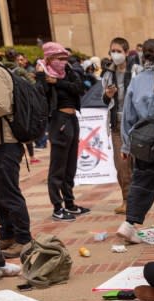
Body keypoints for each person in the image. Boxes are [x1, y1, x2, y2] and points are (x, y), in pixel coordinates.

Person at [116, 39, 154, 245]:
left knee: (142, 182)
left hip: (143, 140)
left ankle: (129, 224)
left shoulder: (137, 80)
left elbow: (127, 115)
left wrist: (125, 145)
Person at [36, 42, 88, 222]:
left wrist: (58, 81)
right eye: (59, 58)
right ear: (49, 58)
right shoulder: (43, 72)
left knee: (70, 165)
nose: (63, 61)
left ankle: (70, 203)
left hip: (72, 119)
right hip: (59, 121)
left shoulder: (68, 71)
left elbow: (79, 88)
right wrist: (42, 77)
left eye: (65, 57)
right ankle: (57, 207)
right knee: (58, 166)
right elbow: (41, 94)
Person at [0, 59, 33, 259]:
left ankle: (24, 239)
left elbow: (0, 105)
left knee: (9, 192)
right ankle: (7, 235)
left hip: (6, 144)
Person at [102, 37, 134, 215]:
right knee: (121, 164)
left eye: (118, 51)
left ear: (126, 53)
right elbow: (103, 99)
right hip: (116, 124)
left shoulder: (135, 71)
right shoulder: (108, 74)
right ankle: (126, 199)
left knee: (135, 163)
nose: (115, 54)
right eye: (112, 51)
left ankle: (138, 198)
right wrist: (108, 95)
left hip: (135, 123)